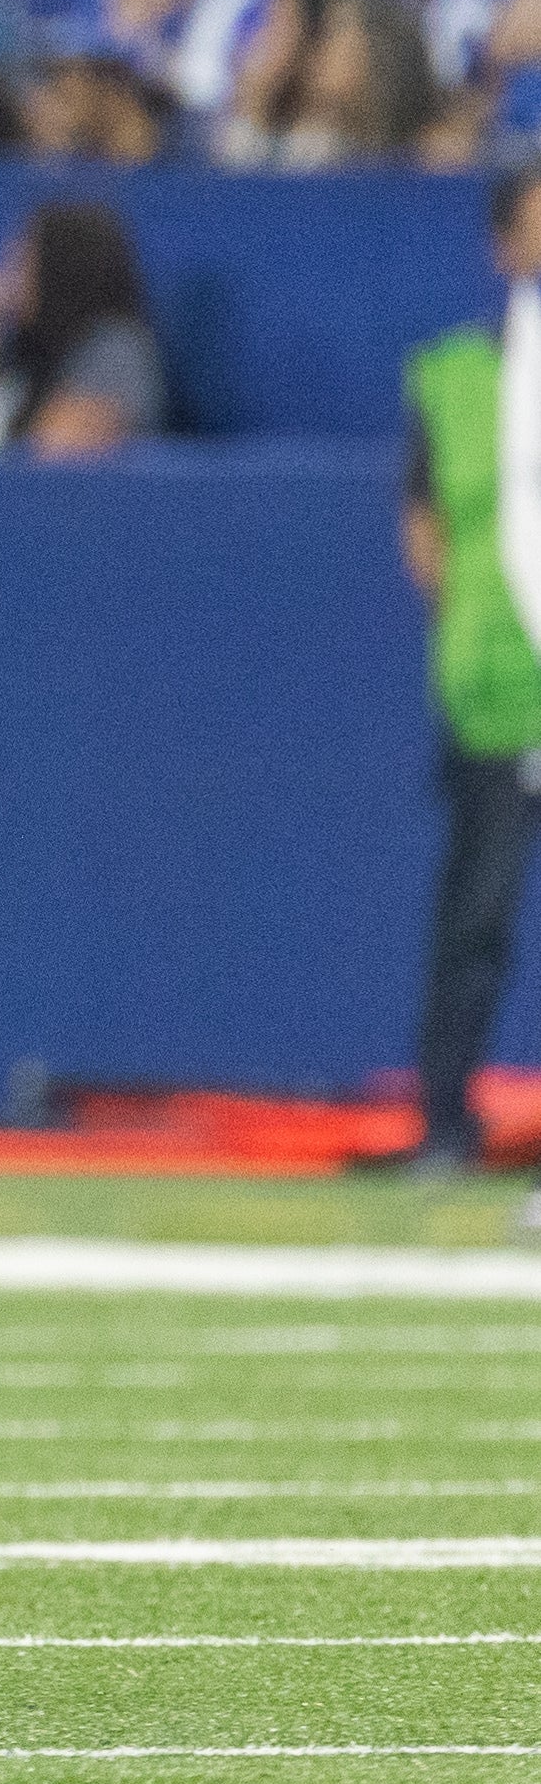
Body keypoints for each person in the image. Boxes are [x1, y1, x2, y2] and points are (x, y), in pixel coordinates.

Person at [401, 163, 541, 1180]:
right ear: (502, 245)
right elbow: (425, 523)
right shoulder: (452, 372)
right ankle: (445, 1124)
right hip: (492, 684)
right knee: (474, 917)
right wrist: (474, 628)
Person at [0, 200, 169, 459]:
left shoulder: (116, 348)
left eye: (21, 265)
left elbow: (55, 449)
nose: (7, 282)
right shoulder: (21, 352)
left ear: (60, 272)